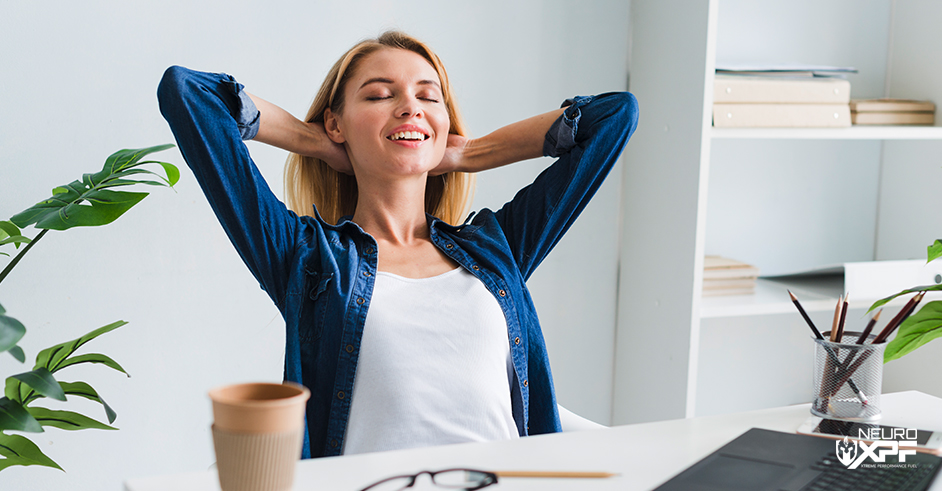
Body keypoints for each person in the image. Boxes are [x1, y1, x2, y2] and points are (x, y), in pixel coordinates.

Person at [157, 30, 638, 459]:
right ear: (337, 123)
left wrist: (473, 151)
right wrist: (314, 141)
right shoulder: (306, 258)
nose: (410, 107)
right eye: (380, 95)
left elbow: (615, 116)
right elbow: (189, 93)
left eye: (429, 97)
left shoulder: (496, 249)